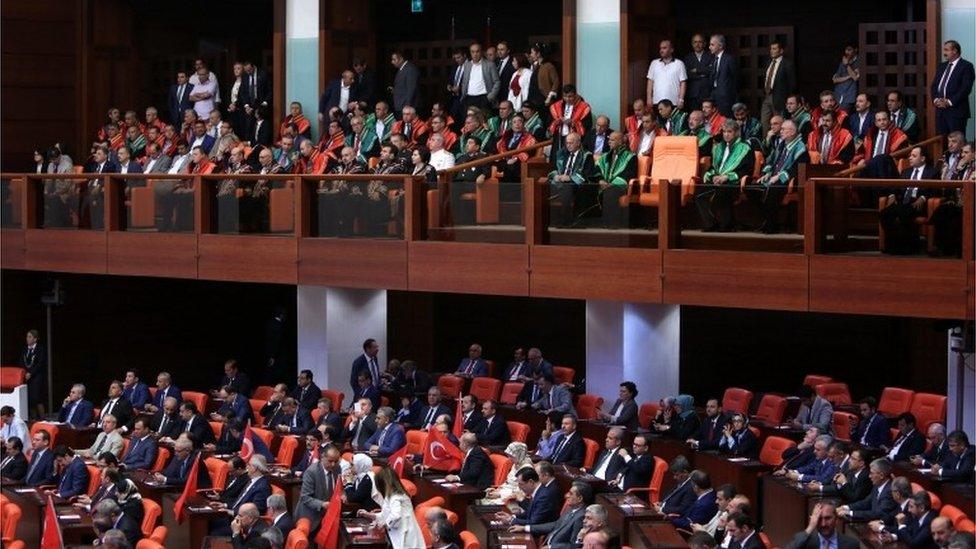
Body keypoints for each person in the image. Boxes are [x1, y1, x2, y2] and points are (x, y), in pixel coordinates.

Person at [749, 119, 808, 233]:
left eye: (783, 129)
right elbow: (772, 161)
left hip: (790, 179)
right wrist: (766, 174)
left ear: (792, 132)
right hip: (773, 176)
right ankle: (764, 221)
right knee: (752, 189)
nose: (780, 131)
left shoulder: (801, 148)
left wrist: (779, 176)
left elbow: (797, 169)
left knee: (773, 189)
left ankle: (772, 226)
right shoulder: (782, 144)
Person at [696, 120, 754, 232]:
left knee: (722, 192)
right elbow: (713, 167)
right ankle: (711, 224)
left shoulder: (745, 148)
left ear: (736, 133)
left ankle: (726, 225)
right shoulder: (718, 147)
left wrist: (727, 177)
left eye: (729, 132)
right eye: (724, 132)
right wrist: (712, 175)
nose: (726, 134)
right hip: (717, 179)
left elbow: (747, 170)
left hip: (734, 182)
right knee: (699, 194)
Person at [881, 146, 938, 254]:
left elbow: (935, 190)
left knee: (904, 212)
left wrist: (923, 197)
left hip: (918, 203)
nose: (910, 158)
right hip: (903, 202)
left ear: (922, 158)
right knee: (885, 213)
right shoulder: (905, 172)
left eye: (914, 156)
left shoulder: (932, 172)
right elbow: (896, 186)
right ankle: (892, 246)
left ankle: (908, 248)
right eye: (910, 155)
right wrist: (892, 194)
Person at [359, 467, 425, 549]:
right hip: (397, 536)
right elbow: (385, 515)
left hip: (405, 539)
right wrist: (369, 515)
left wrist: (384, 525)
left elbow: (395, 516)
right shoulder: (389, 496)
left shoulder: (397, 497)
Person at [509, 480, 591, 546]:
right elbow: (555, 525)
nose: (566, 495)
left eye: (570, 493)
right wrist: (524, 528)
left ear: (580, 498)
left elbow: (574, 545)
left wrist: (551, 547)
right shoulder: (572, 509)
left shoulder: (581, 517)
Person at [548, 131, 594, 228]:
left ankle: (565, 220)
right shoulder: (562, 154)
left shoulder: (587, 156)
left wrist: (570, 178)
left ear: (578, 143)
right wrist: (556, 175)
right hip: (560, 183)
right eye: (567, 143)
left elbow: (587, 174)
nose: (568, 146)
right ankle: (547, 220)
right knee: (542, 187)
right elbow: (553, 169)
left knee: (567, 188)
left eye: (571, 143)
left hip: (578, 185)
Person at [931, 40, 975, 136]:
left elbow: (965, 88)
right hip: (940, 112)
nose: (944, 53)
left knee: (957, 142)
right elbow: (934, 86)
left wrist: (949, 102)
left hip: (956, 112)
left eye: (946, 50)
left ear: (954, 51)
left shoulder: (966, 66)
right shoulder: (942, 66)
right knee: (942, 142)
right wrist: (936, 100)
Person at [595, 131, 637, 228]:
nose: (609, 142)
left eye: (613, 140)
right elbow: (596, 170)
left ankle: (613, 223)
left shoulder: (630, 157)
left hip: (621, 186)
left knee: (610, 191)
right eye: (609, 139)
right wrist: (601, 180)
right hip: (604, 185)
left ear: (621, 142)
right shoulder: (604, 157)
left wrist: (612, 184)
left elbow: (629, 174)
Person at [786, 501, 860, 549]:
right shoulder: (805, 542)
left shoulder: (852, 544)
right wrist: (810, 527)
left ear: (836, 520)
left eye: (827, 518)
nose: (823, 524)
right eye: (819, 519)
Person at [548, 85, 593, 156]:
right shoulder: (556, 106)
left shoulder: (584, 107)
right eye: (565, 96)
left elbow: (587, 124)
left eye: (570, 96)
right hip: (560, 138)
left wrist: (573, 123)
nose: (567, 99)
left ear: (575, 95)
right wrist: (558, 121)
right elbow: (550, 122)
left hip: (574, 139)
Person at [761, 41, 795, 131]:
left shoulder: (787, 64)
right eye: (771, 49)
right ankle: (766, 142)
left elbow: (792, 84)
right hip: (767, 96)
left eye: (774, 49)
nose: (772, 51)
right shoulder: (768, 62)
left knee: (778, 123)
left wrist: (787, 100)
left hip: (780, 98)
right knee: (764, 122)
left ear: (781, 51)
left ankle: (779, 143)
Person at [646, 39, 687, 107]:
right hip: (657, 101)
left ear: (671, 50)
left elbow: (683, 83)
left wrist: (681, 99)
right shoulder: (654, 63)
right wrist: (649, 98)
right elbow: (650, 82)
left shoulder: (679, 63)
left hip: (673, 102)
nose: (661, 50)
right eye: (660, 48)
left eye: (664, 48)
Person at [708, 34, 738, 116]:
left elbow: (735, 78)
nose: (709, 47)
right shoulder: (712, 59)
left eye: (712, 45)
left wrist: (731, 95)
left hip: (725, 97)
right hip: (714, 95)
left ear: (720, 46)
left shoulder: (729, 59)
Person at [23, 329, 48, 419]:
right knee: (29, 398)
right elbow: (22, 362)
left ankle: (42, 418)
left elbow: (40, 363)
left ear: (35, 339)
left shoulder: (40, 349)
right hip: (26, 377)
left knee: (37, 398)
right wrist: (25, 373)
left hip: (37, 377)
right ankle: (33, 418)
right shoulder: (25, 349)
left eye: (30, 337)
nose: (27, 339)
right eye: (27, 336)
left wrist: (31, 373)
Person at [832, 45, 861, 112]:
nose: (847, 52)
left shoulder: (859, 61)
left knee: (843, 115)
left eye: (849, 50)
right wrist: (848, 76)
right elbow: (835, 79)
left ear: (855, 50)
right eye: (846, 50)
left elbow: (855, 78)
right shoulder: (843, 61)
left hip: (849, 95)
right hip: (839, 93)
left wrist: (847, 65)